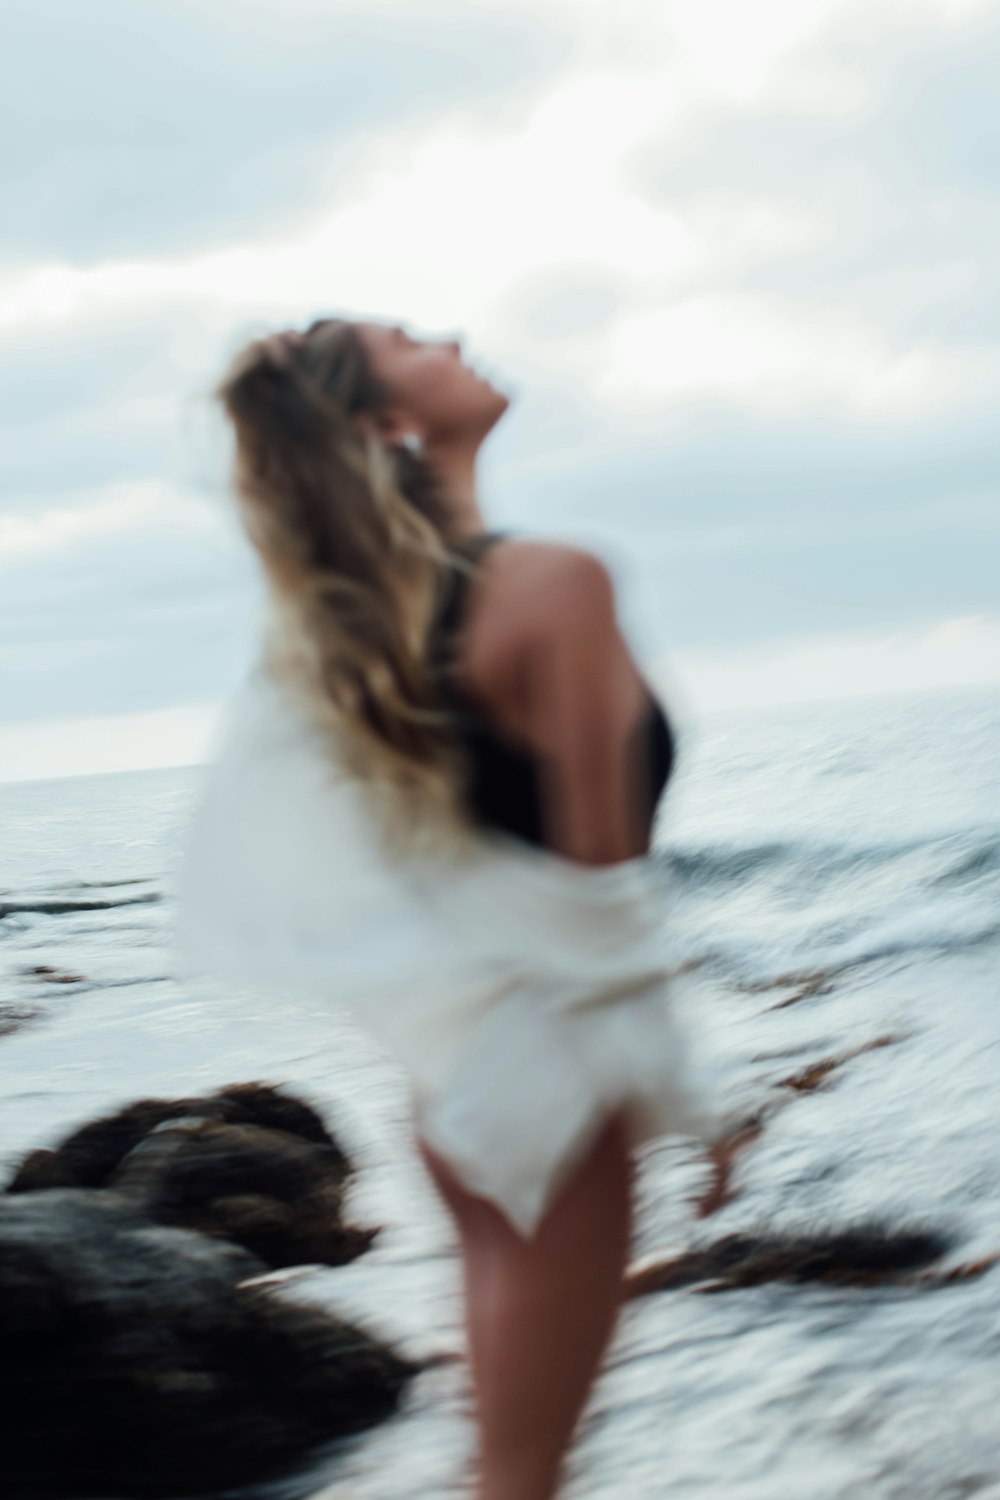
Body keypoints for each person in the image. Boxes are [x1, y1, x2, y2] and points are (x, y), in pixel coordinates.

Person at [175, 315, 746, 1500]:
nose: (450, 335)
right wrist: (697, 1097)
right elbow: (602, 896)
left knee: (503, 1461)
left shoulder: (348, 638)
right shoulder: (554, 581)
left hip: (460, 1078)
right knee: (522, 1473)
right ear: (389, 425)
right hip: (557, 1071)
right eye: (410, 340)